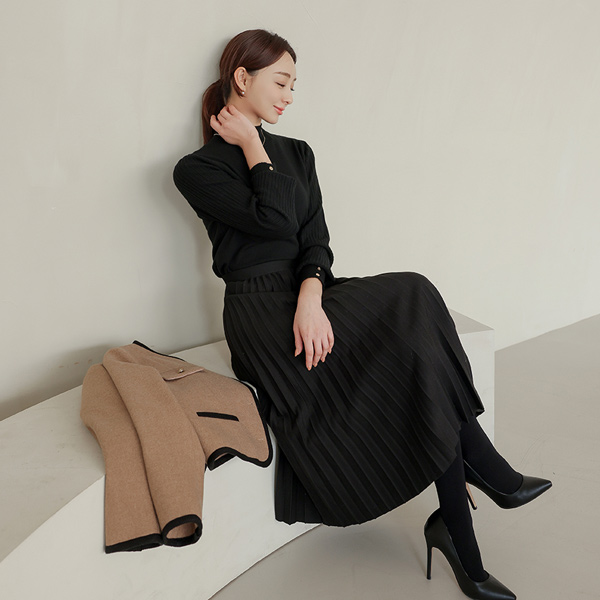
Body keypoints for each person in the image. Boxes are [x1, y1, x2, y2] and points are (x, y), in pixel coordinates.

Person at [173, 29, 551, 600]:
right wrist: (252, 144)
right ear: (241, 79)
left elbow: (316, 240)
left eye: (295, 85)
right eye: (281, 82)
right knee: (412, 316)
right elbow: (274, 221)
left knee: (415, 309)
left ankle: (462, 525)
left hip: (309, 295)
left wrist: (311, 297)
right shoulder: (196, 169)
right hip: (260, 315)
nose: (290, 96)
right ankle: (476, 493)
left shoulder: (298, 152)